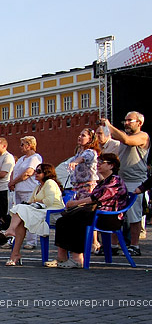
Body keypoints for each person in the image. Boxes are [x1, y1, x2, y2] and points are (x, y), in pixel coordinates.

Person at [47, 153, 128, 268]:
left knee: (77, 219)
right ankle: (62, 257)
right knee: (63, 220)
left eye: (102, 162)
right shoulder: (104, 181)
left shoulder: (115, 180)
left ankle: (77, 258)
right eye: (98, 162)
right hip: (97, 214)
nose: (98, 165)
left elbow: (95, 198)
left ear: (111, 166)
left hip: (109, 217)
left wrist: (75, 203)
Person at [101, 112, 149, 256]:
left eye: (130, 120)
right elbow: (117, 137)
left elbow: (127, 140)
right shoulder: (122, 137)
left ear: (139, 123)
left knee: (134, 216)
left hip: (136, 181)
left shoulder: (143, 136)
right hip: (121, 180)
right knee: (115, 214)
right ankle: (113, 244)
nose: (126, 123)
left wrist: (109, 125)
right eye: (125, 120)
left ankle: (134, 245)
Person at [3, 163, 64, 266]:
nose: (36, 173)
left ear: (46, 173)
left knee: (21, 210)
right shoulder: (38, 186)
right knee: (21, 218)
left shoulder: (50, 183)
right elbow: (30, 201)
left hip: (53, 212)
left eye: (39, 171)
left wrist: (36, 201)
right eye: (36, 171)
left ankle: (11, 232)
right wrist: (35, 202)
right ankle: (15, 253)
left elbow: (49, 201)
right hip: (40, 210)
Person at [8, 136, 43, 250]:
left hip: (29, 190)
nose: (20, 147)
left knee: (30, 215)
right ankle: (16, 238)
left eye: (22, 144)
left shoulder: (35, 158)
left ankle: (32, 241)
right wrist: (12, 182)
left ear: (29, 145)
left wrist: (13, 181)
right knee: (18, 215)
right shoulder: (22, 158)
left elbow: (28, 173)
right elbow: (15, 171)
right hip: (19, 189)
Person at [67, 128, 101, 199]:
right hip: (77, 187)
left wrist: (75, 162)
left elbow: (82, 158)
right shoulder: (79, 153)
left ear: (90, 139)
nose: (79, 137)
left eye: (83, 135)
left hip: (87, 187)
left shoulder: (91, 152)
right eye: (79, 135)